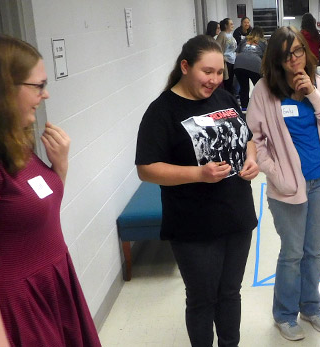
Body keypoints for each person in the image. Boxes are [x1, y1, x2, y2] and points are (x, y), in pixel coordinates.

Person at [0, 33, 100, 346]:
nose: (46, 94)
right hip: (13, 307)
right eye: (38, 85)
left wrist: (60, 169)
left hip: (51, 285)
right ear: (0, 89)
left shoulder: (12, 142)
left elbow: (35, 216)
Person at [135, 35, 259, 347]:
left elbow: (247, 137)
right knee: (203, 298)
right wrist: (198, 174)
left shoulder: (225, 98)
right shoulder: (162, 111)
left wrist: (252, 160)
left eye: (220, 73)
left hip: (236, 214)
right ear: (185, 67)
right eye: (207, 72)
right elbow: (146, 168)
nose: (215, 80)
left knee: (230, 292)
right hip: (194, 224)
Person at [246, 26, 320, 341]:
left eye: (299, 51)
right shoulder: (265, 90)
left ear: (307, 51)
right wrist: (274, 173)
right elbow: (256, 138)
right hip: (287, 186)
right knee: (292, 253)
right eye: (287, 55)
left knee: (313, 251)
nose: (294, 60)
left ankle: (311, 307)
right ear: (276, 59)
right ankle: (285, 315)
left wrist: (314, 94)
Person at [235, 25, 267, 110]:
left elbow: (237, 52)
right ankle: (261, 107)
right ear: (261, 34)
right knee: (260, 87)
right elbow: (266, 57)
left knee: (243, 88)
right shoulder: (263, 42)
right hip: (255, 64)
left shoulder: (245, 39)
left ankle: (244, 108)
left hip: (239, 64)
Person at [216, 18, 237, 95]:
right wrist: (223, 58)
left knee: (231, 81)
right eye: (231, 24)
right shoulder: (222, 35)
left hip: (232, 60)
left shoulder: (230, 35)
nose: (232, 25)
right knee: (227, 82)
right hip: (226, 61)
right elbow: (217, 47)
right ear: (226, 25)